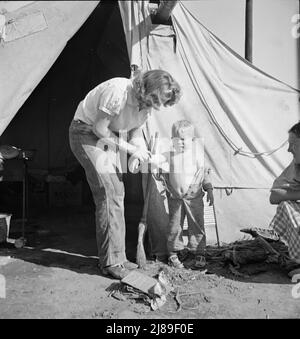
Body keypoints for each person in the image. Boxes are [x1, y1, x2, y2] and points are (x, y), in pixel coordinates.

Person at [69, 70, 182, 279]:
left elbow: (135, 132)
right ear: (146, 88)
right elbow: (100, 129)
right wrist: (131, 150)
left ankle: (118, 258)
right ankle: (111, 262)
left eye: (160, 102)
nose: (156, 105)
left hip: (105, 138)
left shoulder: (146, 106)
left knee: (117, 192)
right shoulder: (118, 91)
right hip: (85, 133)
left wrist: (142, 152)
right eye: (155, 99)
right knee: (109, 191)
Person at [153, 120, 214, 269]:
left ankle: (199, 251)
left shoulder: (196, 156)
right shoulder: (170, 156)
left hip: (194, 198)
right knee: (174, 226)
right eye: (175, 139)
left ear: (193, 140)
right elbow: (159, 167)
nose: (179, 142)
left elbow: (204, 174)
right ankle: (174, 252)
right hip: (175, 199)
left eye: (183, 140)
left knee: (197, 224)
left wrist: (210, 190)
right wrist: (156, 165)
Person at [269, 121, 300, 276]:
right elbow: (274, 195)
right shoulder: (296, 166)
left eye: (293, 144)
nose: (288, 149)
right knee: (286, 206)